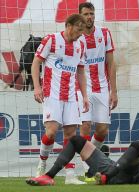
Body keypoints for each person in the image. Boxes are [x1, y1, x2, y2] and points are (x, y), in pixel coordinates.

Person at [31, 14, 89, 184]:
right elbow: (35, 63)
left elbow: (80, 72)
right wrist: (36, 87)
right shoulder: (51, 39)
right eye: (79, 29)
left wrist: (84, 96)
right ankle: (42, 164)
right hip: (52, 93)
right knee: (51, 131)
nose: (80, 34)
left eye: (83, 31)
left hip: (71, 94)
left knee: (71, 135)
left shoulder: (80, 45)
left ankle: (70, 176)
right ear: (68, 25)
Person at [77, 2, 118, 156]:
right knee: (86, 125)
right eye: (86, 14)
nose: (89, 17)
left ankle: (91, 156)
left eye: (91, 14)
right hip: (83, 88)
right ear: (80, 16)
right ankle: (87, 165)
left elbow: (111, 64)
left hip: (102, 88)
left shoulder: (105, 33)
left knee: (102, 130)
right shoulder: (76, 37)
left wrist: (114, 91)